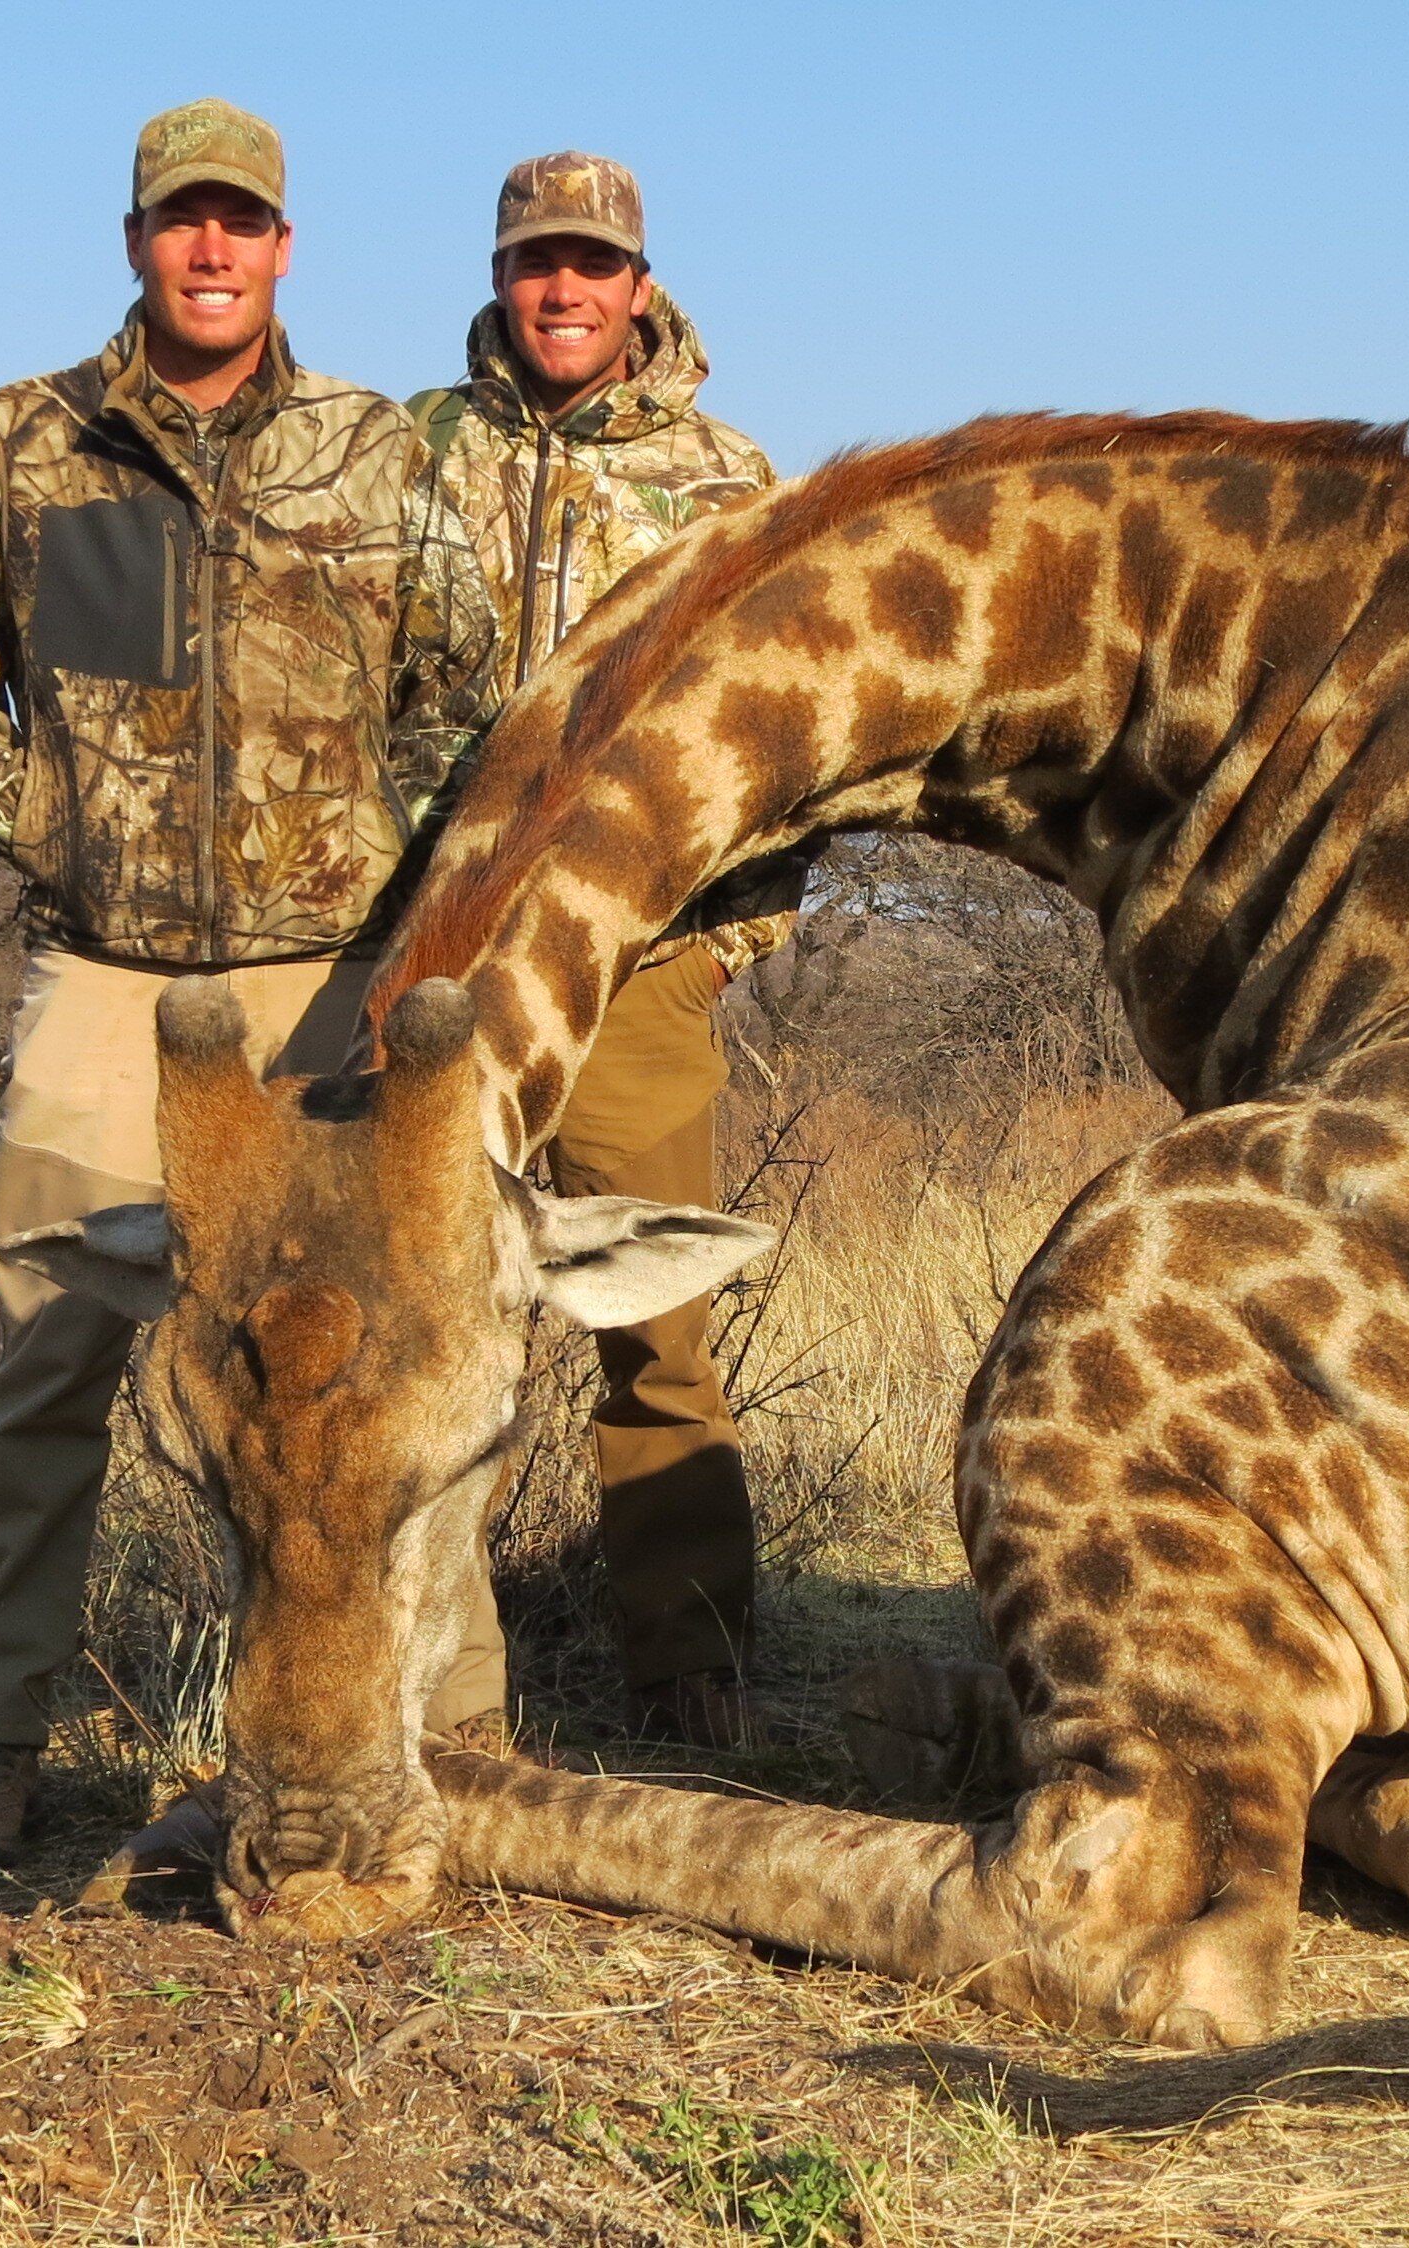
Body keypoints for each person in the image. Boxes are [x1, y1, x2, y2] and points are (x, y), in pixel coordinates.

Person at [0, 97, 497, 1867]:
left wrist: (392, 877)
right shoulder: (20, 444)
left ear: (285, 245)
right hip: (108, 982)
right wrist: (61, 830)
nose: (211, 249)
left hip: (335, 987)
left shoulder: (380, 451)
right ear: (138, 240)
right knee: (49, 1350)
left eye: (242, 222)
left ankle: (458, 1734)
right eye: (181, 222)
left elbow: (463, 692)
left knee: (403, 1359)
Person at [401, 151, 811, 1746]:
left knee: (659, 1333)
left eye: (590, 263)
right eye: (533, 261)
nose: (560, 289)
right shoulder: (409, 455)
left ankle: (690, 1668)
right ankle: (446, 1682)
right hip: (443, 971)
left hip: (644, 967)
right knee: (434, 1320)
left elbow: (792, 733)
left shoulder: (731, 479)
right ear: (501, 277)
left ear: (640, 282)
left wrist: (734, 939)